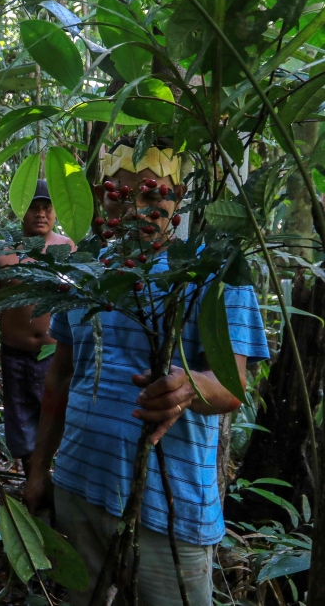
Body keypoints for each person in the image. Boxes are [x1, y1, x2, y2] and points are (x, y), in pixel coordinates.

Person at [23, 139, 270, 606]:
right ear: (102, 197)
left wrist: (189, 386)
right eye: (121, 196)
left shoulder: (214, 271)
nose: (138, 209)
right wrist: (41, 470)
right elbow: (60, 374)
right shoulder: (84, 266)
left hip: (169, 510)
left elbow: (232, 387)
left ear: (177, 198)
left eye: (154, 197)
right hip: (78, 485)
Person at [0, 180, 75, 474]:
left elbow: (80, 309)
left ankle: (56, 487)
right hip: (14, 355)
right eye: (33, 208)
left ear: (55, 213)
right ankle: (34, 487)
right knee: (22, 428)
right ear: (21, 210)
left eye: (46, 208)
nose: (40, 214)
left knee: (59, 423)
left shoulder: (68, 249)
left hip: (55, 357)